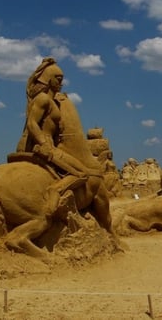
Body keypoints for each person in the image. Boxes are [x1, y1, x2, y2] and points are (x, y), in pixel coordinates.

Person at [15, 57, 101, 217]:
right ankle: (55, 192)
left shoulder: (53, 101)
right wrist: (43, 144)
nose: (61, 83)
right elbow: (32, 124)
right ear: (48, 79)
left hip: (50, 144)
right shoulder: (42, 99)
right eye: (58, 79)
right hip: (46, 147)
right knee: (82, 174)